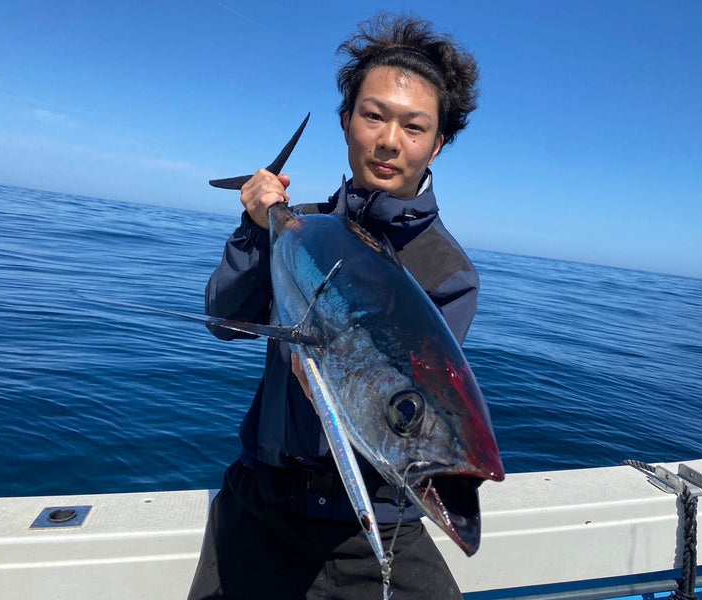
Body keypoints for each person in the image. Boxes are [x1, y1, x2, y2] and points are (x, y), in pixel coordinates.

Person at [188, 13, 481, 600]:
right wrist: (255, 231)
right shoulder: (303, 230)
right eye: (373, 115)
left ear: (438, 143)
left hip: (376, 520)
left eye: (414, 126)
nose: (390, 140)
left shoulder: (446, 272)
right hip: (261, 506)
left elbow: (410, 400)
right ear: (346, 121)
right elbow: (224, 320)